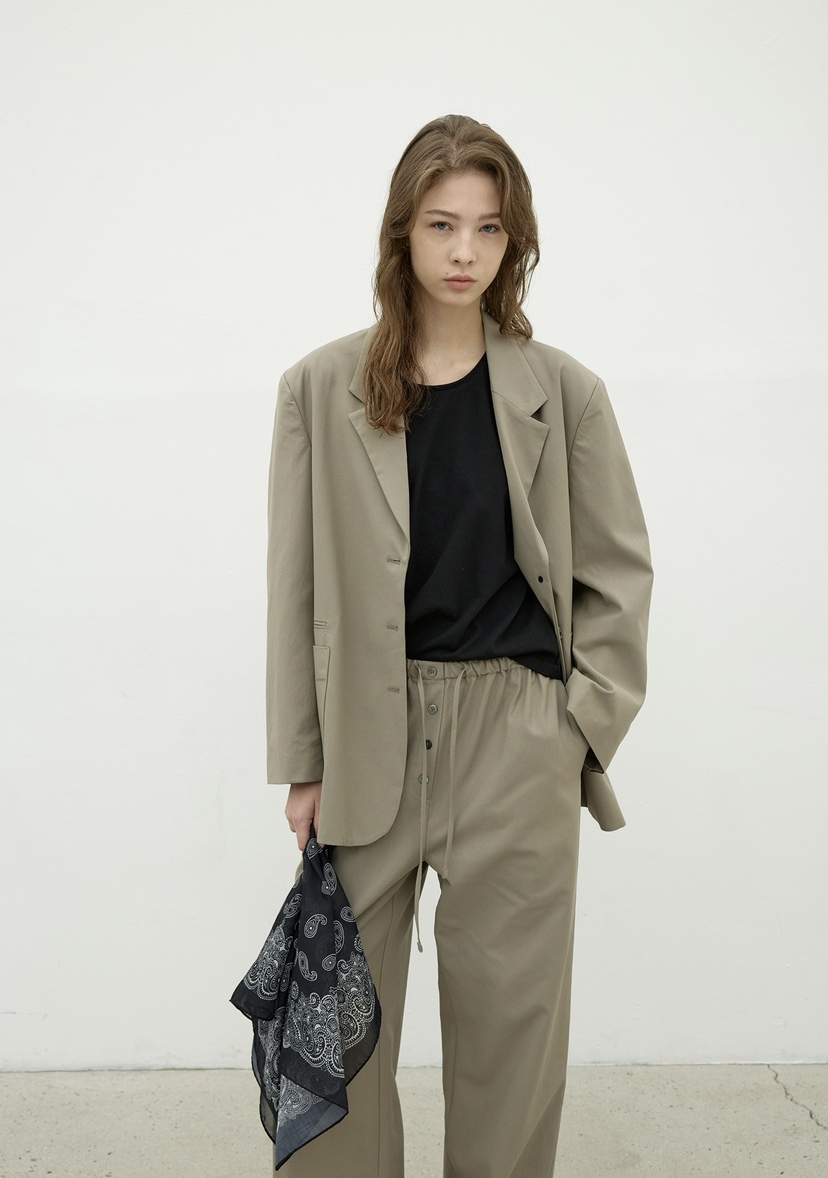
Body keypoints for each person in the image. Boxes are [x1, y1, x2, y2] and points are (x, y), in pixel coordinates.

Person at [266, 113, 653, 1178]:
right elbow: (295, 591)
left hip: (517, 737)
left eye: (487, 228)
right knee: (336, 1036)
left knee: (510, 1036)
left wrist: (577, 727)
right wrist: (303, 759)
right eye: (441, 224)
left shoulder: (565, 392)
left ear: (512, 240)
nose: (464, 251)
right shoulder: (318, 388)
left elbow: (618, 575)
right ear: (403, 232)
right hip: (369, 734)